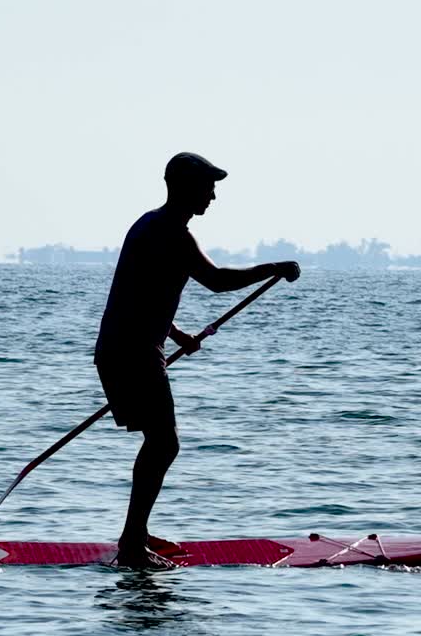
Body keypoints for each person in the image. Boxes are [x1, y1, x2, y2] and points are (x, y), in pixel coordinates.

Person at [94, 152, 300, 568]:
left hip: (123, 347)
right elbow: (218, 281)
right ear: (186, 187)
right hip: (132, 351)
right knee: (164, 441)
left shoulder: (148, 224)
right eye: (208, 186)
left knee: (159, 441)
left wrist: (174, 333)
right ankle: (132, 543)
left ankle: (136, 532)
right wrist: (273, 268)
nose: (213, 196)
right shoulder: (171, 231)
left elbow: (141, 293)